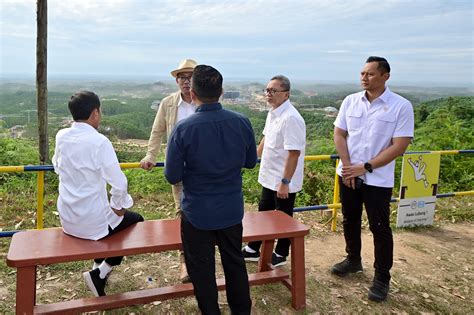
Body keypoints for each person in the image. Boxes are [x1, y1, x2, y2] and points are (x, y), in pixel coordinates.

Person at [165, 65, 256, 314]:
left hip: (197, 213)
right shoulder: (242, 122)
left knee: (202, 270)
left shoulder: (183, 130)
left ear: (192, 93)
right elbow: (249, 162)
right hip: (230, 210)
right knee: (235, 263)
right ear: (222, 92)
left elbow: (172, 175)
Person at [330, 56, 414, 302]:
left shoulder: (401, 106)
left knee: (380, 228)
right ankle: (353, 259)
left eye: (370, 74)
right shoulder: (350, 101)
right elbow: (339, 133)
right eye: (362, 73)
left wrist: (364, 167)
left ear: (385, 76)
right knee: (350, 219)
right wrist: (348, 167)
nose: (364, 78)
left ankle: (381, 277)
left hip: (377, 179)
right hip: (347, 174)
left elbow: (400, 145)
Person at [52, 91, 144, 297]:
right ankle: (100, 272)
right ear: (95, 113)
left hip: (68, 217)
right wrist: (119, 205)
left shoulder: (61, 136)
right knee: (136, 220)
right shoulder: (99, 142)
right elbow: (119, 182)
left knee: (116, 225)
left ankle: (97, 267)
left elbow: (57, 166)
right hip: (92, 221)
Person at [140, 58, 197, 282]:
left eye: (190, 76)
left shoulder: (203, 101)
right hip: (180, 169)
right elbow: (157, 132)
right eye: (182, 77)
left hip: (204, 170)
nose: (186, 81)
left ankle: (200, 257)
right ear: (176, 80)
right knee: (182, 213)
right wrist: (150, 156)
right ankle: (185, 263)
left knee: (201, 214)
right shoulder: (168, 103)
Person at [242, 75, 306, 268]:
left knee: (284, 217)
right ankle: (254, 248)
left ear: (286, 94)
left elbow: (294, 154)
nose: (268, 94)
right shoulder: (273, 112)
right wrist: (253, 157)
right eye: (267, 90)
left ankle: (281, 253)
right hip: (269, 175)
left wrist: (285, 181)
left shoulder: (291, 118)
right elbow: (265, 138)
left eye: (273, 91)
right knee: (264, 212)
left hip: (283, 178)